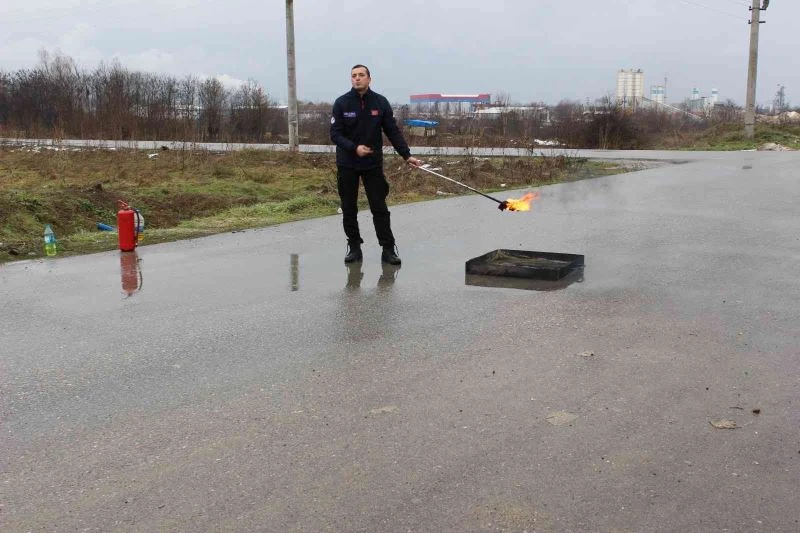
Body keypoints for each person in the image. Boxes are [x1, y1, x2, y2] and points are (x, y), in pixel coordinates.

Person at [330, 64, 423, 265]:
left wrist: (406, 155)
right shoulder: (341, 103)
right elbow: (335, 134)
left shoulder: (380, 102)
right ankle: (354, 247)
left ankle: (388, 249)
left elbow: (392, 131)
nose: (357, 78)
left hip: (372, 163)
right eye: (354, 75)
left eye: (361, 75)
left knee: (379, 207)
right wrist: (354, 148)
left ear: (369, 79)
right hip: (347, 163)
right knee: (349, 207)